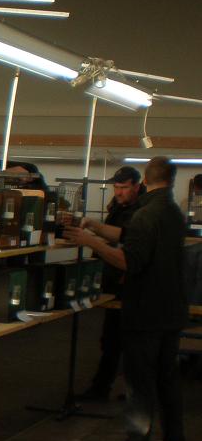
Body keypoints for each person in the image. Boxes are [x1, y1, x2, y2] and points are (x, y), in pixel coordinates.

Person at [64, 157, 187, 441]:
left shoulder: (147, 214)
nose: (119, 192)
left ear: (143, 181)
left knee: (140, 380)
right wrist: (95, 227)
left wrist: (92, 242)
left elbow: (128, 260)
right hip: (171, 309)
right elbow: (129, 235)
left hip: (146, 310)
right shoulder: (172, 212)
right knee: (166, 380)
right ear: (172, 179)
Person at [76, 165, 145, 400]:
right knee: (112, 338)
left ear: (136, 186)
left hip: (129, 282)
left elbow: (126, 240)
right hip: (113, 278)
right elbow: (115, 235)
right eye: (116, 187)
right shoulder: (118, 206)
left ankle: (119, 389)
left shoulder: (141, 211)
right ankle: (107, 387)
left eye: (123, 187)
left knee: (125, 339)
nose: (119, 192)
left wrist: (93, 237)